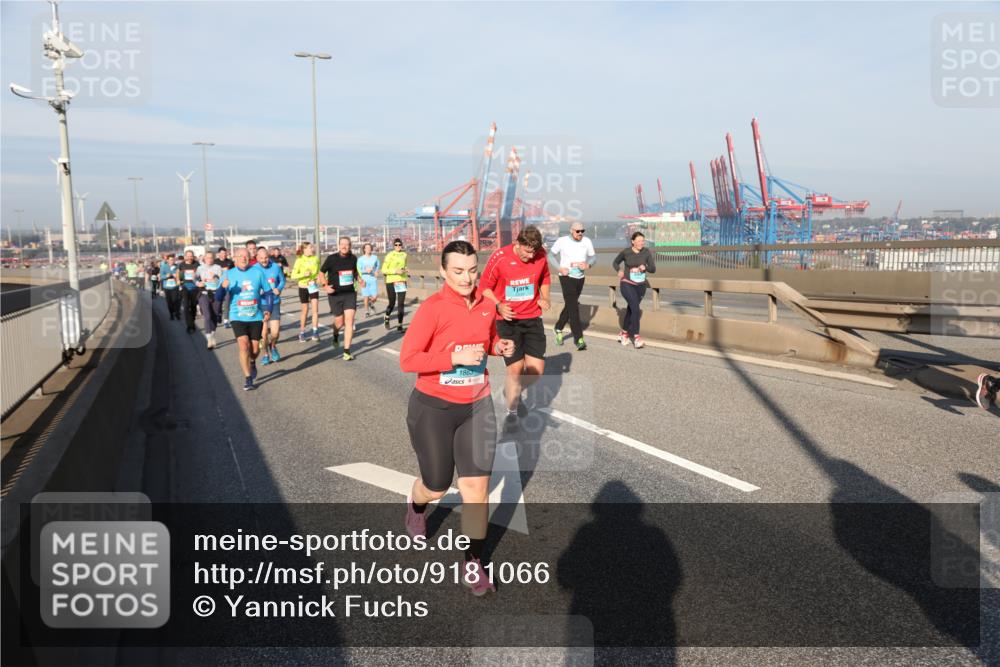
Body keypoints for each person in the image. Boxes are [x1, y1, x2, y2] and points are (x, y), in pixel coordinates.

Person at [399, 240, 515, 596]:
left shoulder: (485, 304)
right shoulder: (432, 309)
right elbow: (408, 360)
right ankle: (417, 506)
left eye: (472, 270)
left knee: (476, 491)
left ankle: (473, 561)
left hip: (476, 406)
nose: (467, 278)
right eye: (458, 271)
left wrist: (499, 348)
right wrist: (453, 359)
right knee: (435, 484)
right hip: (434, 407)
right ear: (443, 271)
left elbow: (488, 339)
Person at [480, 225, 551, 430]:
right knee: (515, 369)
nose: (531, 256)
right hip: (507, 321)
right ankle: (512, 412)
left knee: (536, 371)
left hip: (532, 319)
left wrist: (545, 297)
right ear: (518, 244)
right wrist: (498, 305)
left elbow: (545, 277)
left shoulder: (540, 255)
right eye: (527, 251)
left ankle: (512, 390)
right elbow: (484, 287)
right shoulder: (500, 257)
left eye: (534, 252)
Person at [222, 248, 269, 391]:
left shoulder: (257, 272)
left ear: (250, 258)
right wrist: (222, 289)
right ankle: (248, 378)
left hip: (255, 316)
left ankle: (253, 361)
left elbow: (268, 292)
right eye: (240, 256)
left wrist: (268, 308)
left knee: (254, 350)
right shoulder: (228, 274)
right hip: (237, 316)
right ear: (235, 258)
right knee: (243, 345)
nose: (243, 258)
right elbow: (218, 297)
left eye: (246, 256)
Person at [548, 222, 596, 351]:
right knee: (574, 308)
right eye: (577, 231)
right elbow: (550, 255)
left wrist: (588, 265)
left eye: (582, 231)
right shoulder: (562, 241)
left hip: (580, 278)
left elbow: (593, 257)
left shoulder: (587, 241)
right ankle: (579, 339)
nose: (580, 233)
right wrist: (560, 268)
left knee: (571, 305)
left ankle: (558, 328)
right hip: (566, 277)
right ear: (571, 230)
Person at [612, 231, 657, 349]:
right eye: (638, 241)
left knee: (631, 310)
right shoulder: (626, 252)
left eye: (642, 241)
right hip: (627, 283)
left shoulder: (646, 252)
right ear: (633, 241)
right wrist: (619, 270)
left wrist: (645, 267)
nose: (641, 243)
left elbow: (653, 269)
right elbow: (615, 262)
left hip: (641, 286)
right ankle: (637, 338)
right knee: (636, 309)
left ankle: (624, 333)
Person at [319, 237, 361, 361]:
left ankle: (347, 351)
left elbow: (354, 273)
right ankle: (335, 334)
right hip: (335, 294)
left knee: (349, 321)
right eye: (342, 244)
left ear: (350, 246)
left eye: (347, 244)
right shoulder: (331, 258)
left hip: (349, 294)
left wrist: (360, 279)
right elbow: (321, 273)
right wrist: (325, 286)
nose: (344, 246)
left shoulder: (353, 258)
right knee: (339, 322)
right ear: (338, 246)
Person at [255, 246, 286, 365]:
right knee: (263, 333)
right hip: (260, 304)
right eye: (261, 258)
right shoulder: (254, 269)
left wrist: (278, 288)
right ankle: (265, 354)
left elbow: (282, 280)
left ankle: (273, 346)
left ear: (269, 257)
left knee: (275, 333)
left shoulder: (276, 267)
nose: (264, 260)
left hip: (274, 302)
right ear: (257, 258)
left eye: (266, 257)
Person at [290, 242, 321, 342]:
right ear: (304, 250)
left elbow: (318, 272)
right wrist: (304, 274)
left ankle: (315, 332)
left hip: (313, 286)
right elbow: (293, 275)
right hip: (303, 286)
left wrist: (318, 278)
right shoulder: (299, 260)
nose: (312, 249)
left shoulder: (316, 259)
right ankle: (302, 332)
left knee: (315, 310)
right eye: (310, 247)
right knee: (305, 310)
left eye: (312, 247)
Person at [195, 251, 223, 349]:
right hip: (204, 293)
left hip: (215, 294)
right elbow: (195, 278)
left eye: (211, 257)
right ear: (204, 259)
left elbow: (222, 280)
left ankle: (212, 335)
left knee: (214, 316)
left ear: (214, 258)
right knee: (207, 316)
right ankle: (209, 340)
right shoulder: (200, 268)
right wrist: (198, 283)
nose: (209, 259)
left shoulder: (218, 268)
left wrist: (216, 279)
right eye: (208, 258)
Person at [382, 238, 409, 332]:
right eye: (396, 245)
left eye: (399, 244)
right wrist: (395, 271)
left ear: (402, 245)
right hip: (391, 281)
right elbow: (384, 270)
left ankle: (399, 325)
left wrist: (405, 270)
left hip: (401, 281)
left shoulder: (404, 255)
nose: (398, 246)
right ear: (393, 246)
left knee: (401, 304)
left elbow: (404, 266)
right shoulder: (389, 255)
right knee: (392, 303)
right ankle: (387, 317)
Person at [177, 250, 201, 334]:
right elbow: (179, 274)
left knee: (193, 306)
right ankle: (189, 325)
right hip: (185, 287)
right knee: (186, 306)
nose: (190, 257)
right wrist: (178, 281)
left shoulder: (197, 264)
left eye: (191, 256)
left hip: (195, 287)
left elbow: (200, 274)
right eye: (188, 256)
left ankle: (192, 321)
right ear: (185, 256)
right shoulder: (182, 264)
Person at [357, 243, 380, 317]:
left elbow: (377, 266)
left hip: (373, 278)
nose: (368, 249)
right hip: (364, 278)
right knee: (366, 296)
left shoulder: (375, 257)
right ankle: (367, 311)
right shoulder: (360, 259)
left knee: (375, 296)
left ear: (371, 249)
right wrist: (365, 271)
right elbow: (358, 270)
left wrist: (376, 271)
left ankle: (371, 303)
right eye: (366, 248)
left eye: (370, 248)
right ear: (364, 249)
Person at [214, 247, 235, 329]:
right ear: (219, 254)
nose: (224, 255)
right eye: (222, 253)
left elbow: (233, 273)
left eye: (225, 253)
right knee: (218, 303)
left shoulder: (230, 262)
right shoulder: (215, 263)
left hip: (227, 286)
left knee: (227, 303)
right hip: (218, 285)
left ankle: (226, 320)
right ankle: (218, 314)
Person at [161, 254, 181, 320]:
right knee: (169, 302)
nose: (172, 261)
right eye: (171, 260)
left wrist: (177, 276)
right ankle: (171, 314)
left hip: (175, 286)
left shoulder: (177, 266)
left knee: (175, 300)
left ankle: (177, 313)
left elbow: (180, 276)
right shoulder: (164, 266)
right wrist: (166, 276)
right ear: (167, 260)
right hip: (167, 287)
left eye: (173, 260)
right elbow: (161, 276)